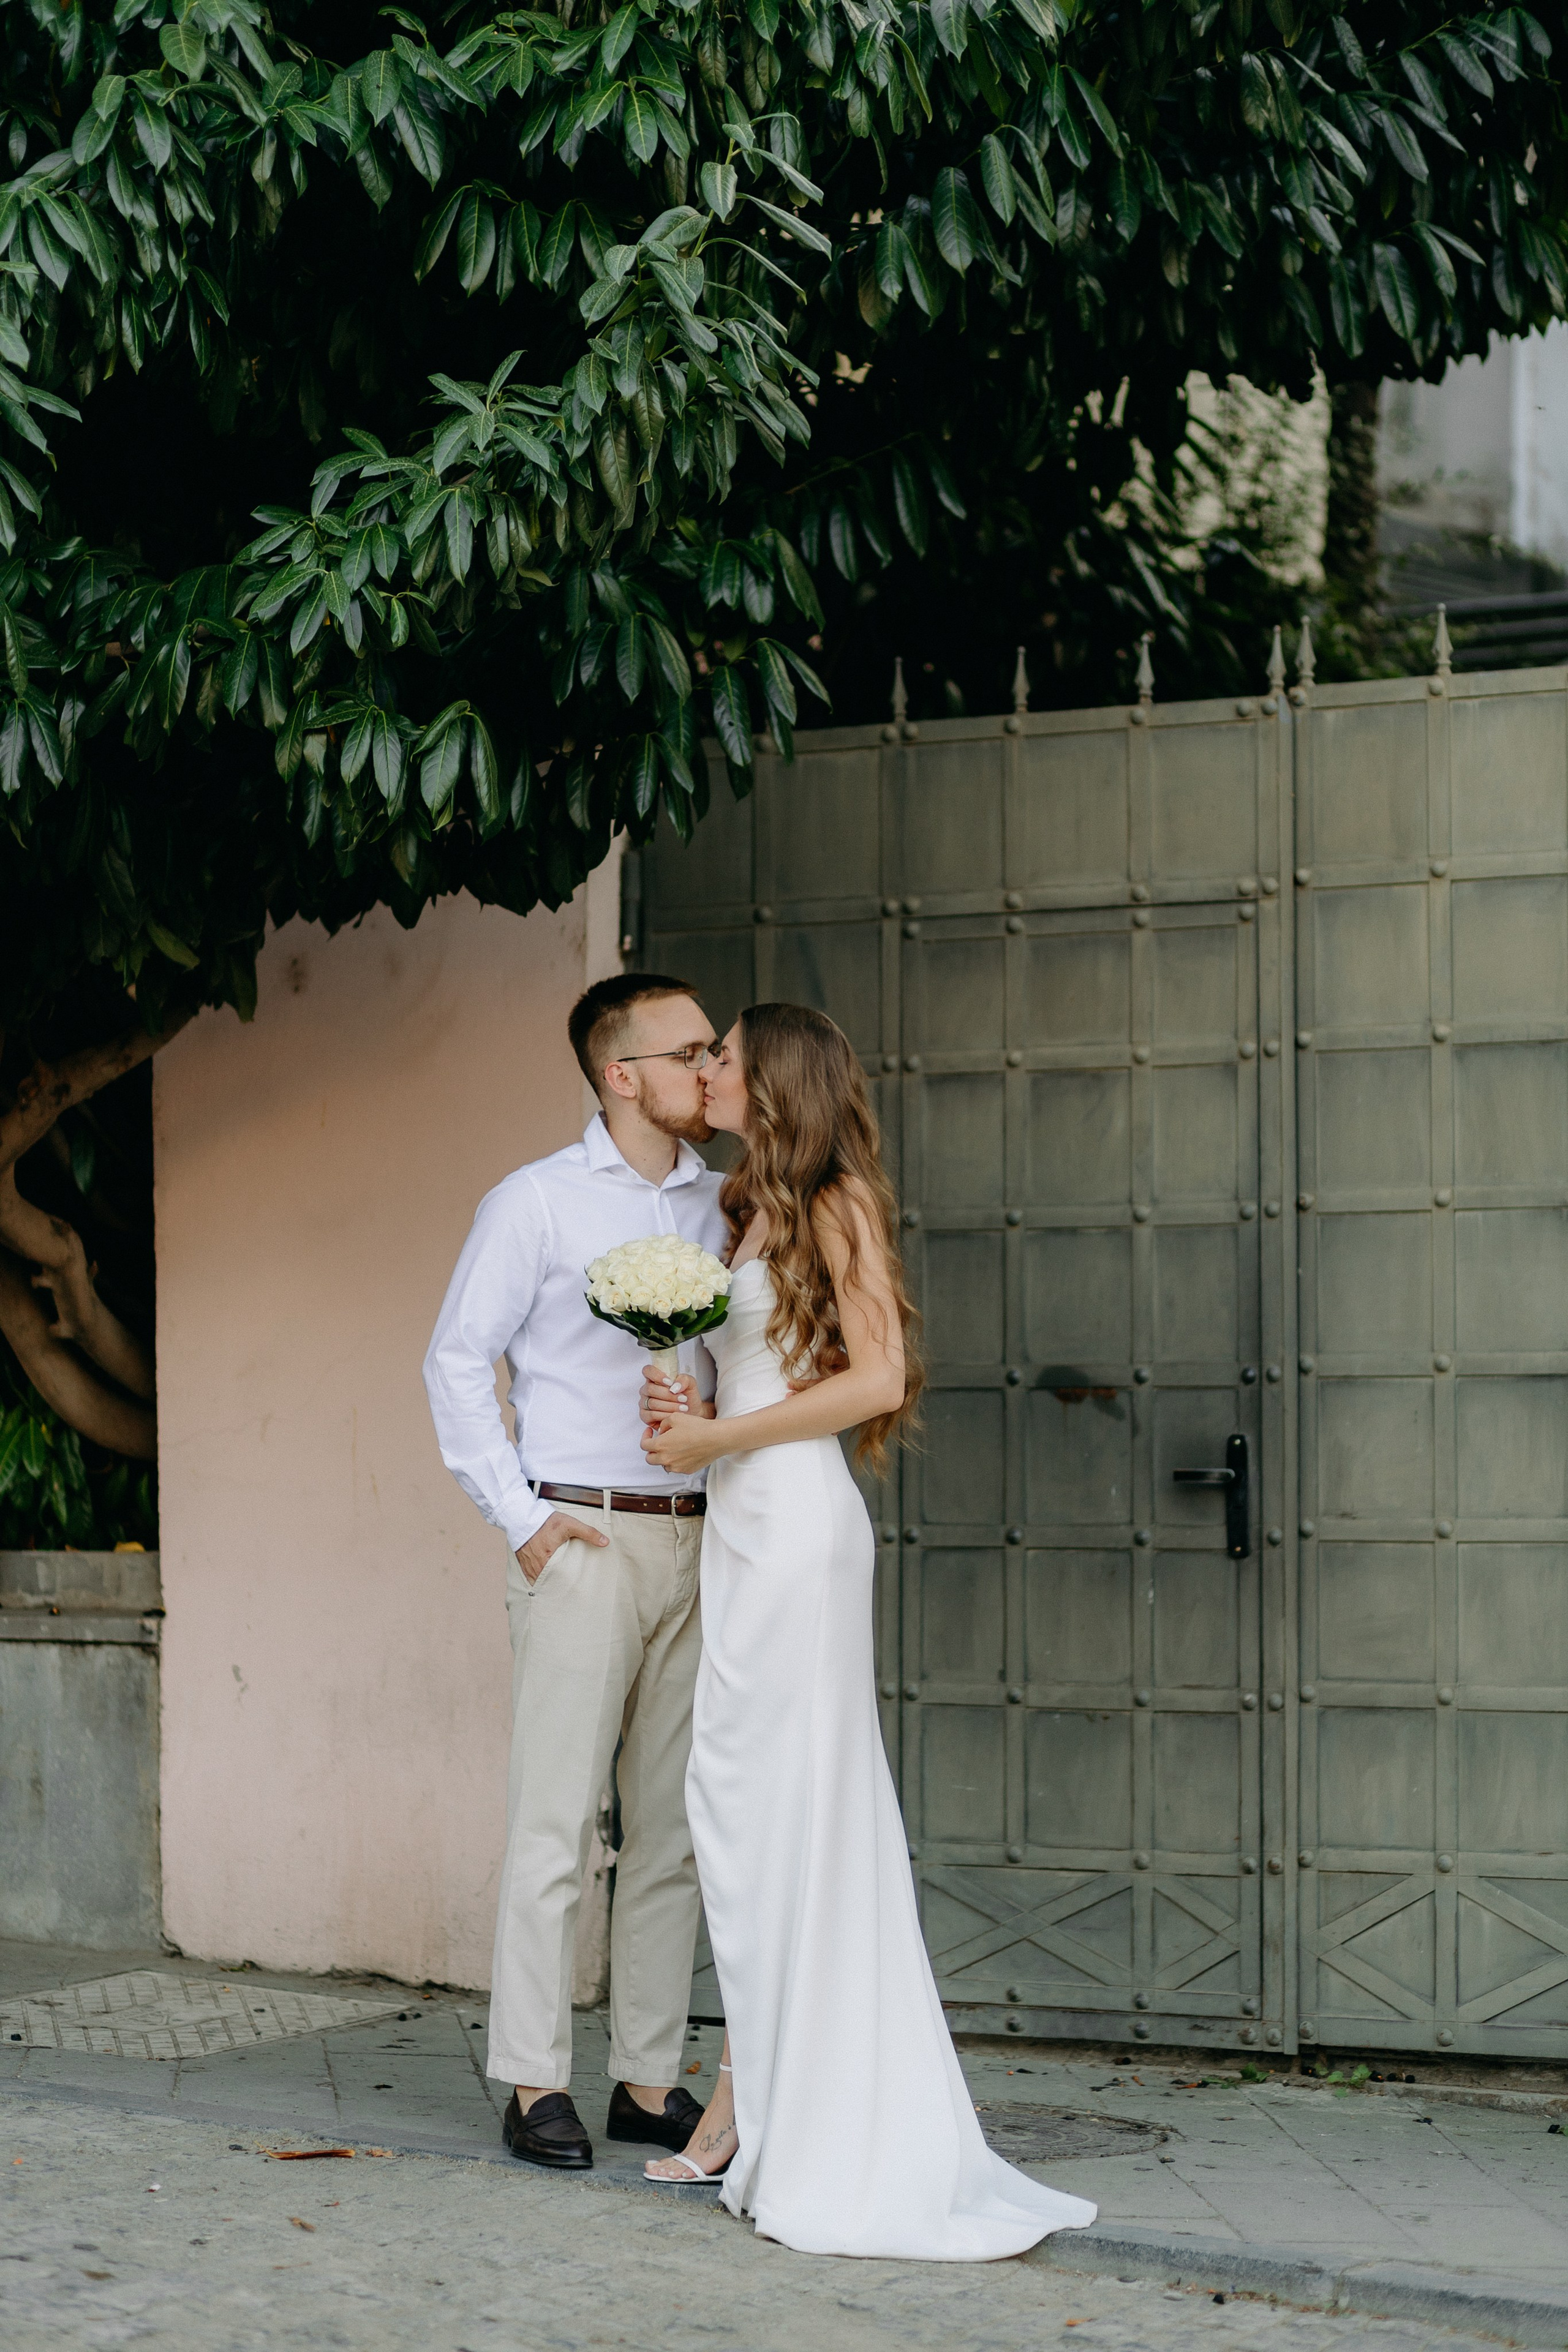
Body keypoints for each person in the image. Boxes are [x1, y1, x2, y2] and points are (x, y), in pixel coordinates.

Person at [636, 1003, 1098, 2260]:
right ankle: (749, 2093)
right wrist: (686, 1404)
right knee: (749, 1817)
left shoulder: (837, 1200)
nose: (707, 1068)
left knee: (782, 1812)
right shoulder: (747, 1207)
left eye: (723, 1054)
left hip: (795, 1536)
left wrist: (719, 1439)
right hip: (742, 1527)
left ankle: (748, 2109)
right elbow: (766, 1371)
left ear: (774, 1080)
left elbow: (877, 1380)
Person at [422, 973, 730, 2172]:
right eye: (689, 1048)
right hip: (583, 1539)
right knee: (556, 1822)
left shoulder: (721, 1208)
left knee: (670, 1832)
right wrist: (521, 1519)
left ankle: (645, 2079)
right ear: (622, 1073)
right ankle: (532, 2077)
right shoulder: (535, 1206)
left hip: (697, 1541)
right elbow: (456, 1360)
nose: (708, 1066)